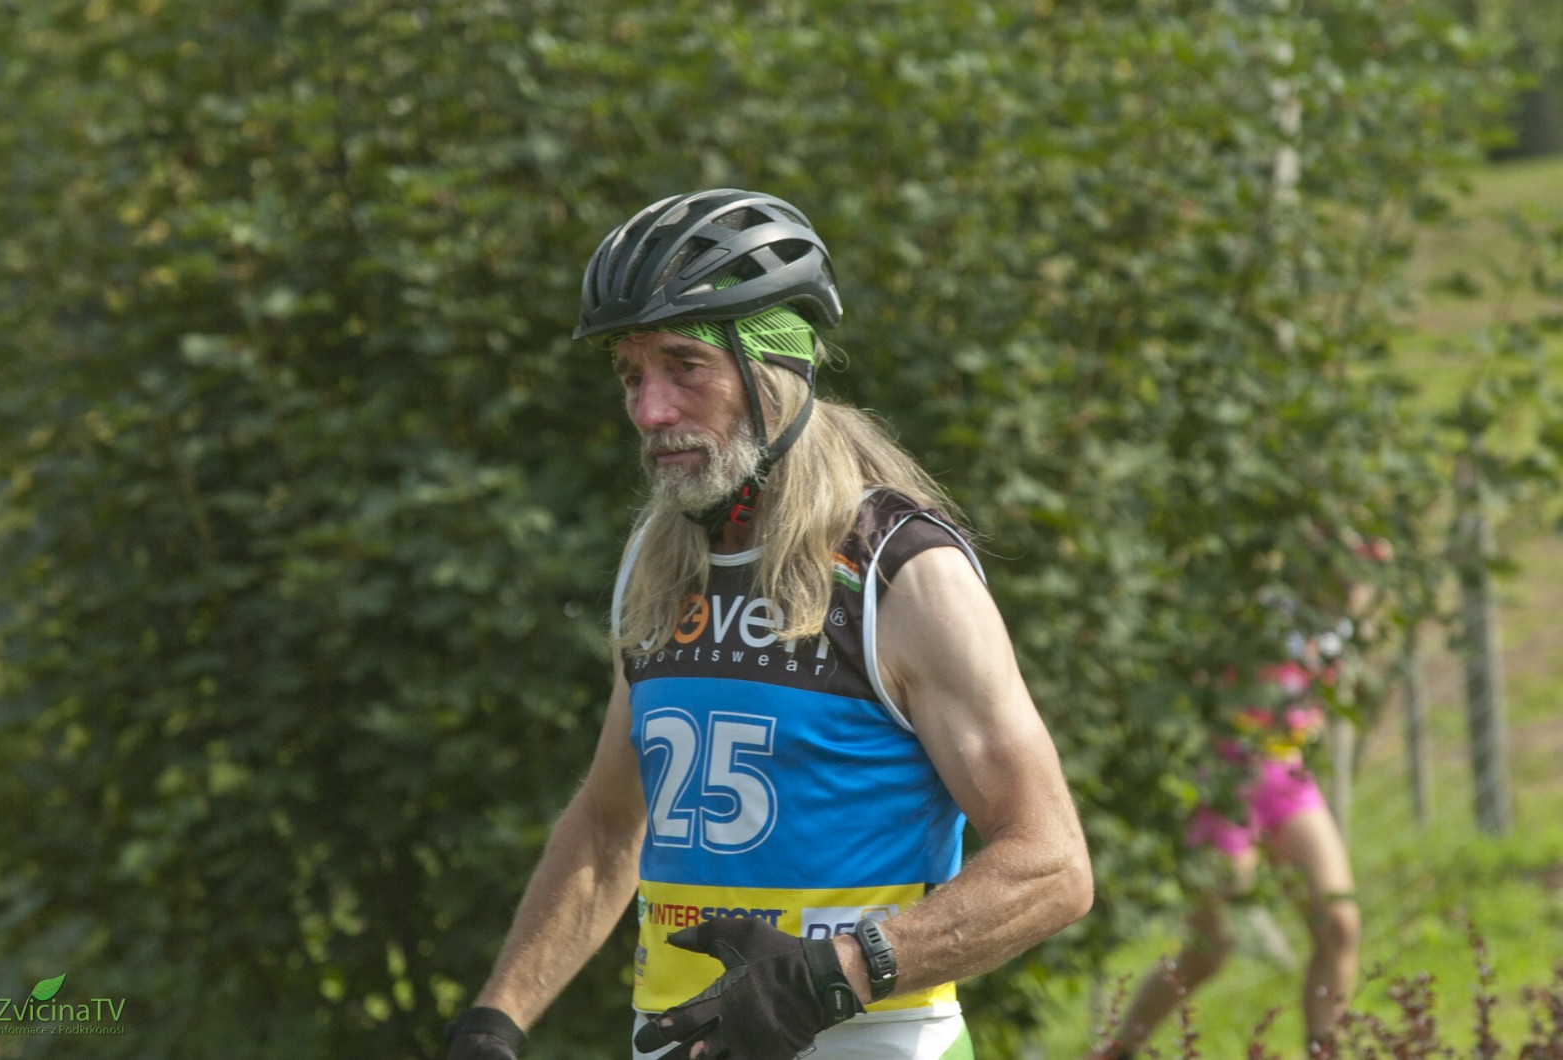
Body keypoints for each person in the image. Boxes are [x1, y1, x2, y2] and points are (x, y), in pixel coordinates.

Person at [443, 188, 1093, 1060]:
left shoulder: (902, 573)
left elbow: (1051, 865)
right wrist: (497, 1020)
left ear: (774, 372)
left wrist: (837, 972)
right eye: (632, 376)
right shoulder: (661, 560)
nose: (650, 411)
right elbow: (609, 824)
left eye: (685, 366)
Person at [1087, 539, 1389, 1060]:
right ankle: (1118, 1051)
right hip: (1227, 783)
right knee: (1209, 950)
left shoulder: (1336, 632)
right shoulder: (1263, 607)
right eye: (1353, 565)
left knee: (1340, 926)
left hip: (1289, 778)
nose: (1361, 582)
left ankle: (1325, 1051)